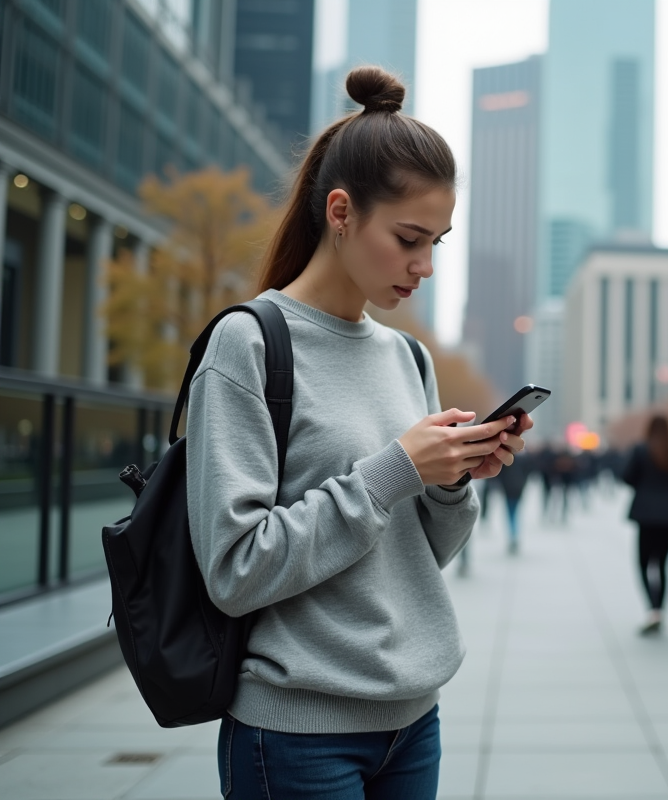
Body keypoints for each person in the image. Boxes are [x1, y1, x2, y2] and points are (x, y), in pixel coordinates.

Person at [187, 67, 532, 799]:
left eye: (437, 241)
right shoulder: (249, 345)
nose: (426, 266)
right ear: (340, 211)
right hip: (295, 736)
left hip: (414, 721)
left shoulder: (407, 356)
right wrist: (395, 470)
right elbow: (236, 570)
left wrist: (453, 480)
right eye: (409, 238)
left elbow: (416, 560)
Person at [622, 415, 668, 635]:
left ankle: (651, 609)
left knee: (643, 563)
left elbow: (627, 476)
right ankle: (660, 609)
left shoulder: (641, 450)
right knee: (662, 565)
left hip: (646, 514)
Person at [497, 450, 531, 554]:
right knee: (515, 513)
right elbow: (527, 474)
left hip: (508, 489)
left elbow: (499, 475)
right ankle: (514, 535)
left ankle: (512, 535)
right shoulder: (523, 459)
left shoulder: (505, 460)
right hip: (518, 489)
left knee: (510, 513)